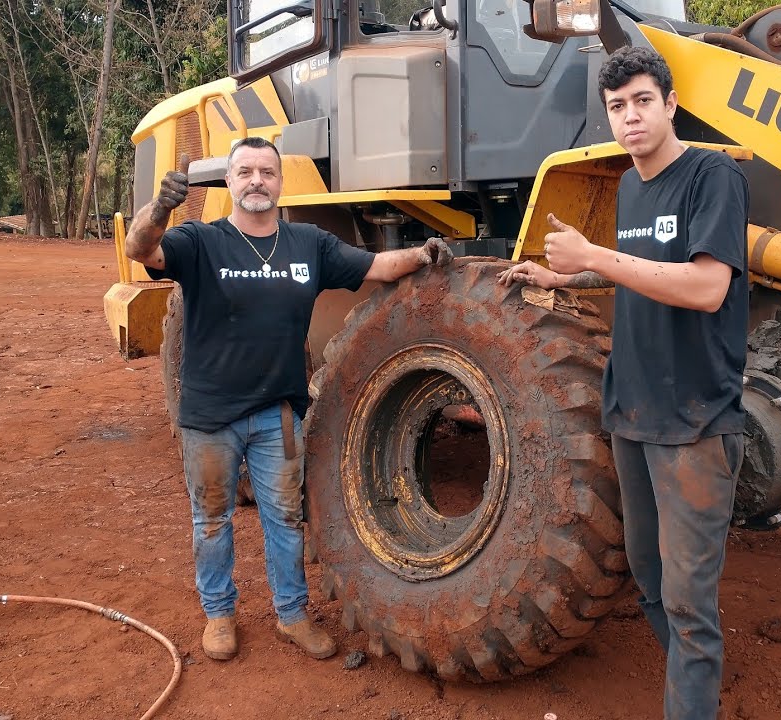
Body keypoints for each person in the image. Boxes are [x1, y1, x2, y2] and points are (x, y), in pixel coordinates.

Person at [124, 136, 452, 662]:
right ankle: (219, 614)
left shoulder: (309, 245)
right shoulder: (200, 241)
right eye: (246, 172)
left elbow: (374, 267)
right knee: (212, 520)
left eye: (267, 172)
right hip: (210, 416)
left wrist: (422, 253)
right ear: (229, 182)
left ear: (280, 182)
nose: (257, 181)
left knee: (284, 519)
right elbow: (140, 249)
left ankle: (292, 615)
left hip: (278, 413)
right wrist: (161, 206)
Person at [497, 46, 749, 719]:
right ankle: (696, 691)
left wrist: (591, 252)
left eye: (642, 101)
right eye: (617, 107)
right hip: (633, 413)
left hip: (695, 421)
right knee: (648, 580)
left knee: (690, 603)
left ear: (669, 104)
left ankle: (691, 704)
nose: (630, 117)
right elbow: (636, 268)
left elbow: (703, 286)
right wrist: (565, 276)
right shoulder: (631, 186)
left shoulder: (711, 175)